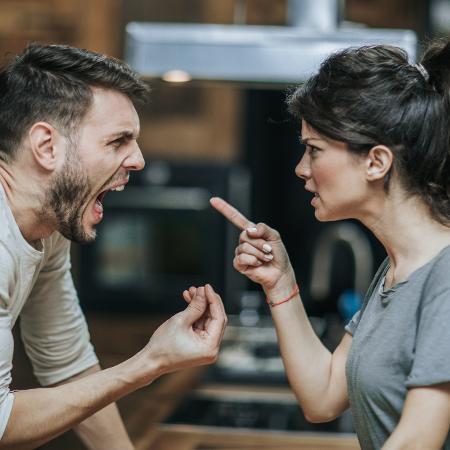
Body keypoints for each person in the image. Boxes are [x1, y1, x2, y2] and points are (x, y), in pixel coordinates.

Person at [209, 38, 450, 449]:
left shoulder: (443, 277)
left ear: (376, 161)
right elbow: (322, 396)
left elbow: (414, 442)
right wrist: (280, 283)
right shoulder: (396, 271)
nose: (301, 169)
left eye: (313, 150)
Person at [0, 43, 227, 449]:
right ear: (46, 146)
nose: (138, 159)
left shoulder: (47, 226)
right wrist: (151, 362)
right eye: (118, 141)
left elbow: (68, 361)